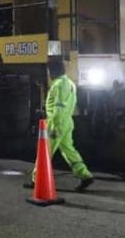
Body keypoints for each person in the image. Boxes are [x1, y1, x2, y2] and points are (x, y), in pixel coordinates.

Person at [28, 58, 94, 191]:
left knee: (44, 152)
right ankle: (85, 175)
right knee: (68, 150)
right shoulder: (70, 83)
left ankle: (36, 180)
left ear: (52, 70)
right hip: (67, 122)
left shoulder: (58, 85)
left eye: (48, 70)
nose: (48, 73)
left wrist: (52, 125)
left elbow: (59, 108)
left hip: (56, 124)